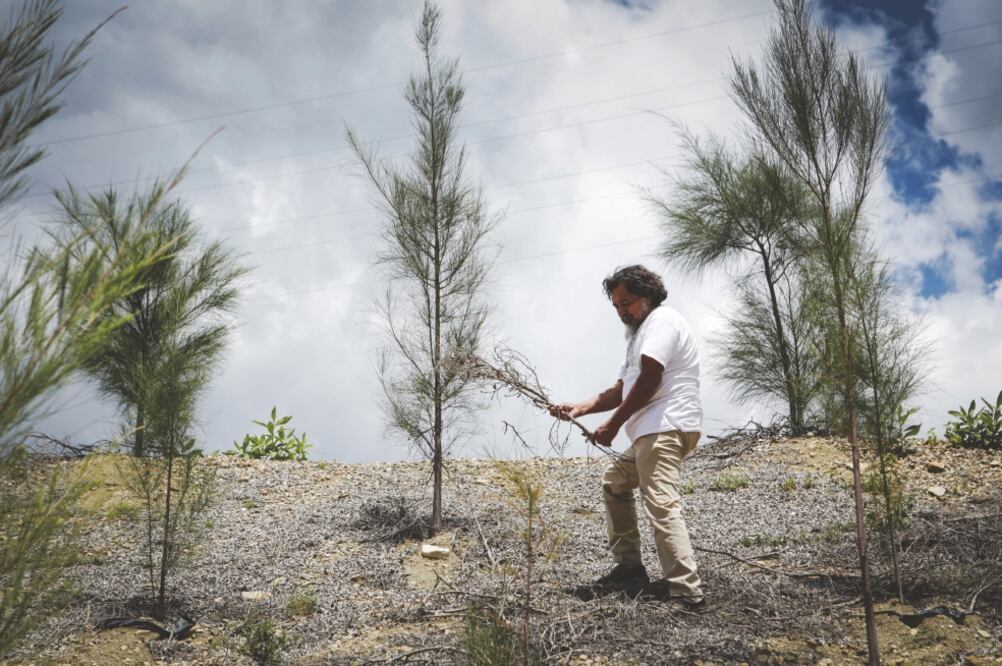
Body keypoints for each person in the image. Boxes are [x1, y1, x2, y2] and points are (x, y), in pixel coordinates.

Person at [550, 265, 705, 608]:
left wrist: (613, 425)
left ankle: (686, 590)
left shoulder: (662, 321)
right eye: (617, 305)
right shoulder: (641, 334)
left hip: (665, 426)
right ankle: (630, 569)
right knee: (615, 482)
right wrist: (579, 408)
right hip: (652, 430)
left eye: (628, 302)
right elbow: (622, 389)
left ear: (648, 295)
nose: (622, 311)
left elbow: (650, 379)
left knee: (661, 503)